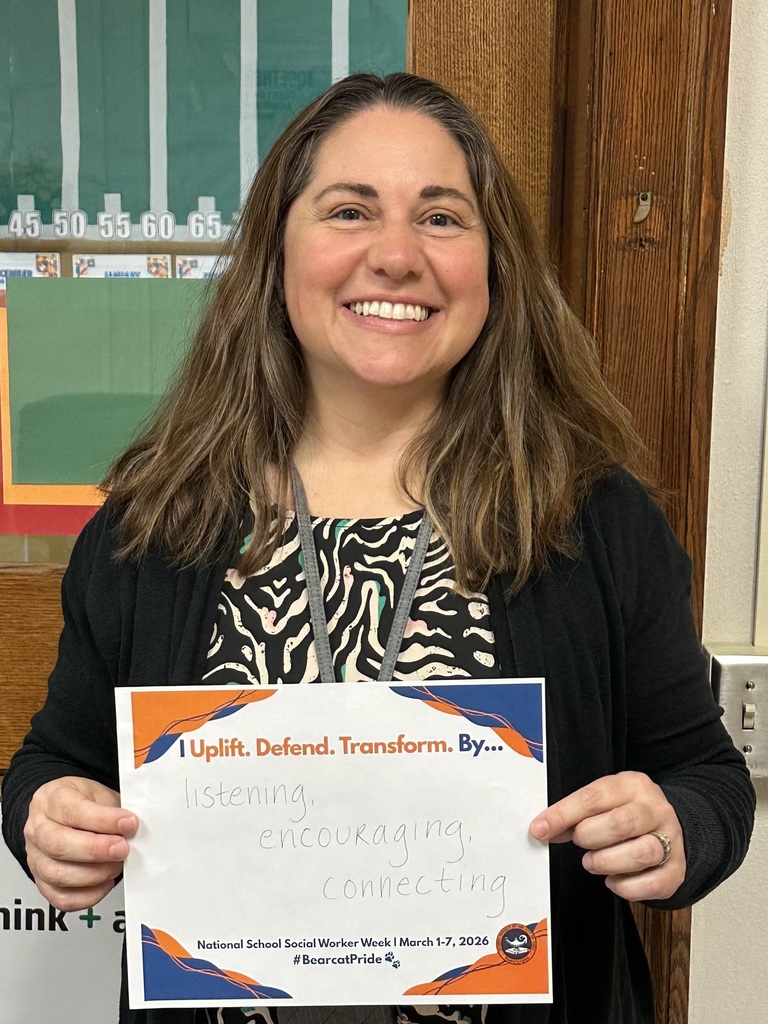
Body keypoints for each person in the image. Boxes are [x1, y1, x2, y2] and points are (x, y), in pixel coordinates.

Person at [1, 72, 754, 1024]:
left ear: (496, 268)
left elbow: (710, 784)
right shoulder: (157, 525)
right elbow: (53, 766)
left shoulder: (592, 521)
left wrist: (676, 829)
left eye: (442, 219)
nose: (396, 256)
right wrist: (49, 821)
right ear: (276, 254)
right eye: (349, 211)